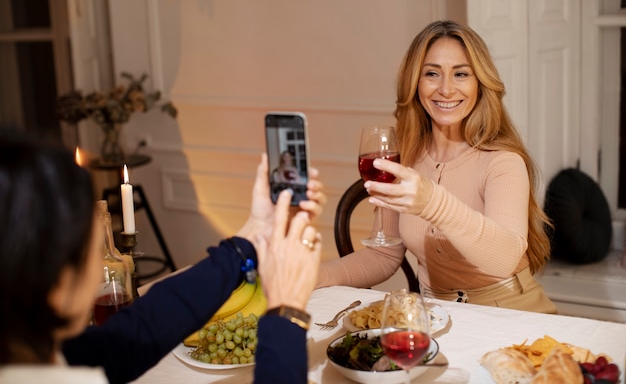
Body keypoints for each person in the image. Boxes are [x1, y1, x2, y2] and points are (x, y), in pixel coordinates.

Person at [0, 127, 326, 384]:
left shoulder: (39, 353)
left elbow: (140, 329)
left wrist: (253, 235)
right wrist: (286, 313)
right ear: (57, 284)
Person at [317, 20, 557, 314]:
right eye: (432, 73)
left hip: (509, 311)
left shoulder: (502, 161)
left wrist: (432, 202)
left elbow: (504, 259)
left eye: (460, 74)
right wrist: (315, 276)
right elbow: (383, 255)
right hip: (436, 316)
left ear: (479, 83)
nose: (445, 89)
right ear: (415, 82)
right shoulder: (405, 158)